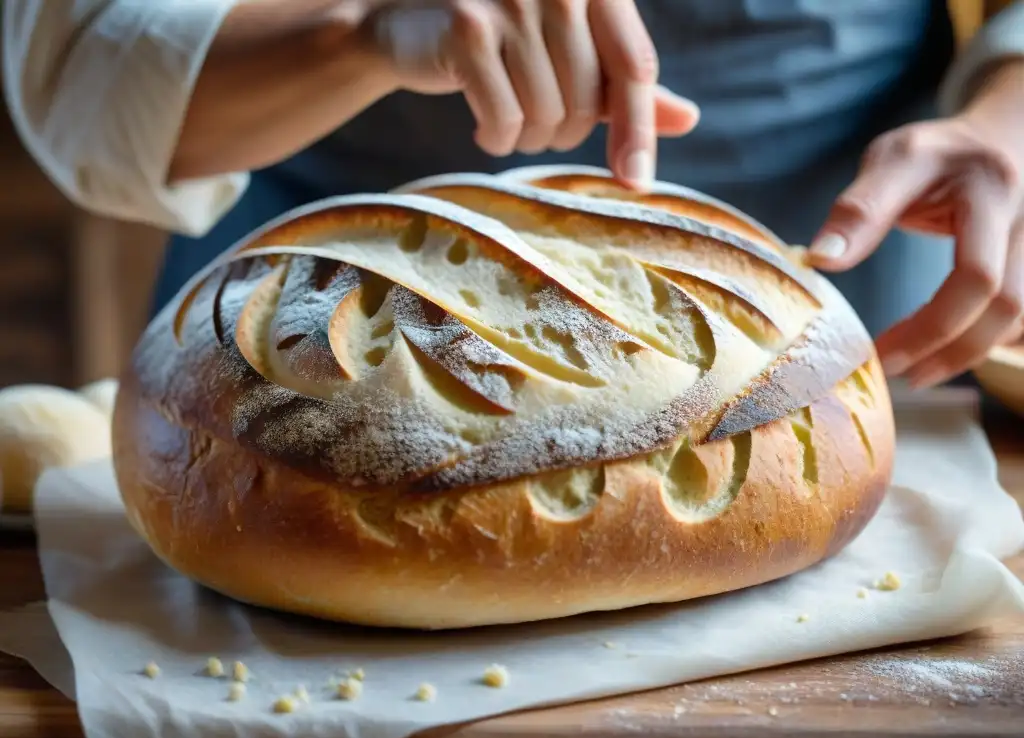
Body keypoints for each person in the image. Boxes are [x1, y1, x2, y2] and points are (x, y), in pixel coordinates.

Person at [4, 0, 1023, 389]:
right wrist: (360, 32)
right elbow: (83, 69)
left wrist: (1008, 108)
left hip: (835, 314)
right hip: (302, 342)